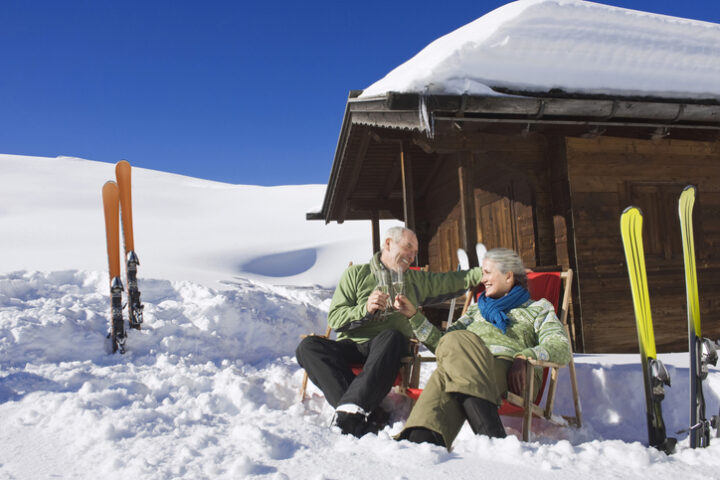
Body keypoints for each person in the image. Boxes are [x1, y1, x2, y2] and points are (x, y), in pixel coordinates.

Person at [296, 226, 483, 437]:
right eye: (408, 248)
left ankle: (351, 413)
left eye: (415, 252)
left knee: (391, 336)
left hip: (389, 348)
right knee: (308, 347)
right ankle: (362, 410)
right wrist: (365, 309)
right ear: (387, 244)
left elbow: (450, 281)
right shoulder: (356, 274)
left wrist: (482, 272)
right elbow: (336, 319)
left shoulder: (415, 281)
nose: (412, 256)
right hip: (353, 344)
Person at [395, 247, 571, 449]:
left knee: (449, 368)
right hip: (472, 366)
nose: (482, 279)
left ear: (508, 275)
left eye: (487, 272)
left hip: (509, 370)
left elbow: (560, 346)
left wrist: (526, 356)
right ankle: (489, 435)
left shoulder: (538, 308)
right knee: (454, 344)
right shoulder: (475, 310)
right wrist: (414, 317)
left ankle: (419, 441)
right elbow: (444, 345)